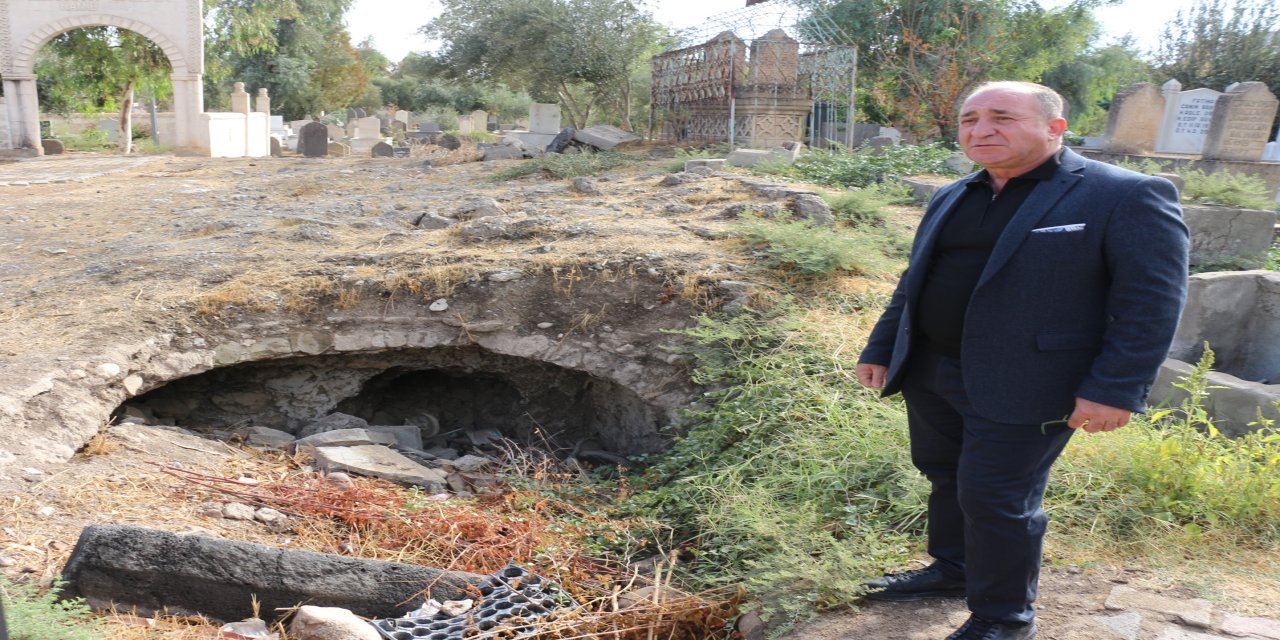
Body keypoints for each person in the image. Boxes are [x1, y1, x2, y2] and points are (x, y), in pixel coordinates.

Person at [854, 81, 1189, 640]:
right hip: (932, 369)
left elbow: (1152, 302)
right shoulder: (953, 194)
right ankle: (954, 569)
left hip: (1031, 381)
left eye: (1002, 117)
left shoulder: (1124, 194)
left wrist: (1115, 389)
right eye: (969, 119)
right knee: (944, 477)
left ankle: (1003, 619)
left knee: (997, 497)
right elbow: (916, 281)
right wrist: (882, 346)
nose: (980, 130)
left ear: (1055, 127)